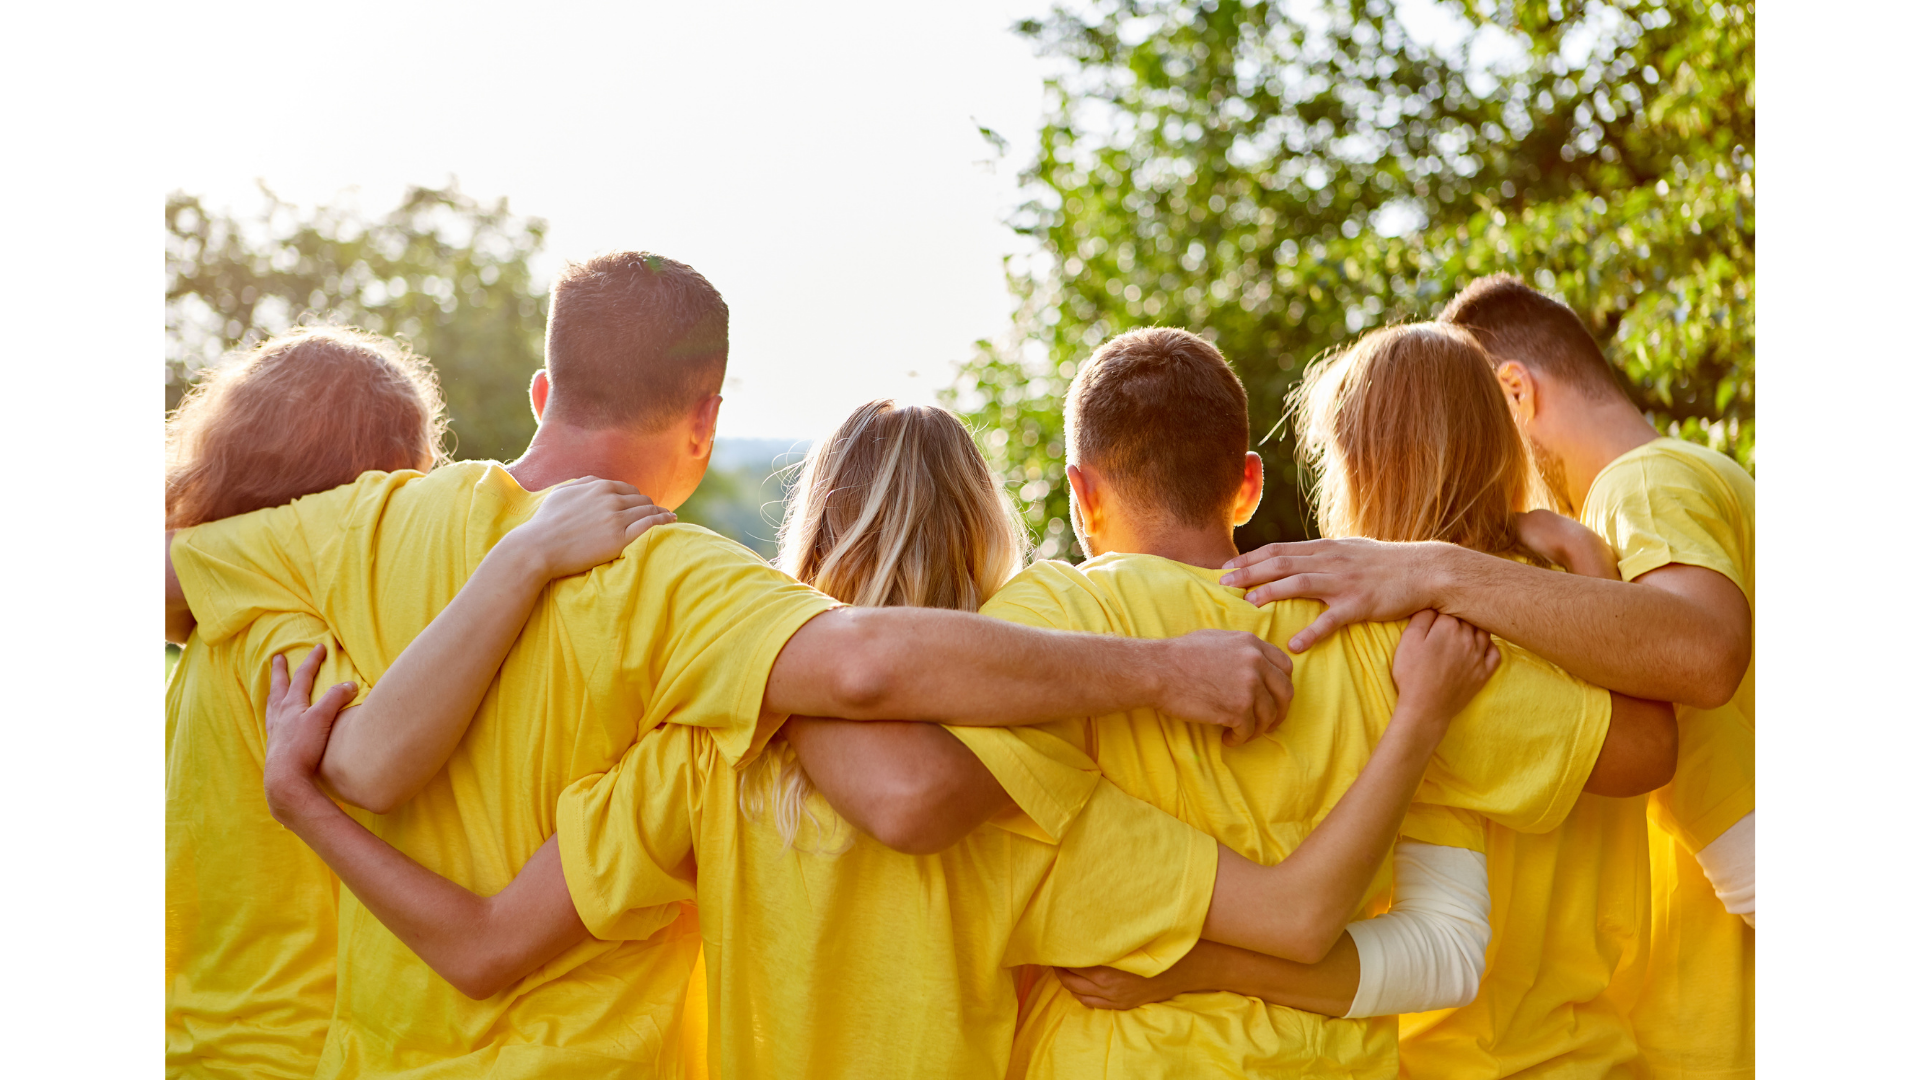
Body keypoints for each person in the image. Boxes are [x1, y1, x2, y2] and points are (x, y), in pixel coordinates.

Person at [164, 253, 1294, 1077]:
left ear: (544, 392)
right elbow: (858, 678)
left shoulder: (344, 528)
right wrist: (1157, 674)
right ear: (705, 422)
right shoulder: (673, 588)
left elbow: (482, 937)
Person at [261, 398, 1508, 1078]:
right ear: (992, 552)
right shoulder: (1036, 801)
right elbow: (1300, 917)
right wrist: (1418, 719)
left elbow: (480, 950)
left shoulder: (705, 751)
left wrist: (311, 804)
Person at [969, 327, 1675, 1078]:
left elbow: (921, 697)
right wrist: (1587, 575)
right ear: (1249, 483)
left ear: (1080, 494)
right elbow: (1643, 748)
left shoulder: (1046, 614)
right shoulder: (1386, 637)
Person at [1226, 277, 1755, 1077]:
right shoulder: (1594, 613)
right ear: (1495, 435)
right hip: (1608, 1049)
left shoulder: (1410, 650)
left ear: (1358, 467)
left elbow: (1435, 945)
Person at [164, 327, 673, 1078]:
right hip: (279, 1050)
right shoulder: (273, 627)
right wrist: (523, 564)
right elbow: (366, 763)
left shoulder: (212, 616)